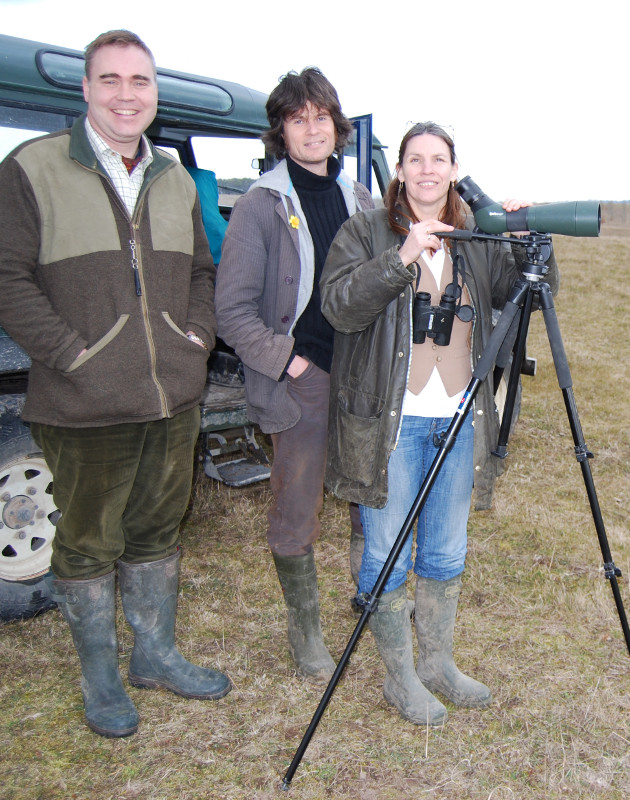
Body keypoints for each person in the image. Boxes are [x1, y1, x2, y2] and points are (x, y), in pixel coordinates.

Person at [0, 30, 231, 738]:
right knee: (88, 543)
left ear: (154, 94)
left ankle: (155, 657)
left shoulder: (173, 178)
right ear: (86, 89)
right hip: (83, 403)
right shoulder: (32, 167)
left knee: (157, 529)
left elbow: (201, 272)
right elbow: (6, 277)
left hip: (172, 397)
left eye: (140, 81)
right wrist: (74, 356)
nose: (126, 95)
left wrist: (196, 341)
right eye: (111, 80)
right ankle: (100, 678)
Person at [320, 122, 559, 724]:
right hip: (390, 423)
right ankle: (399, 677)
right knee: (387, 551)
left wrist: (529, 244)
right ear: (399, 170)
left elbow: (532, 295)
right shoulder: (364, 230)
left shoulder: (477, 236)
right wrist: (401, 258)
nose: (427, 170)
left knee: (447, 550)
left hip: (458, 418)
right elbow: (338, 308)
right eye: (416, 159)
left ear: (454, 170)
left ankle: (436, 663)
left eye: (439, 159)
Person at [215, 68, 374, 682]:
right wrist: (290, 361)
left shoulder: (362, 200)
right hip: (303, 377)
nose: (312, 130)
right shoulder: (261, 206)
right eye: (297, 118)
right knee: (297, 504)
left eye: (321, 117)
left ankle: (372, 595)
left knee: (369, 491)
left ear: (337, 126)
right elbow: (232, 310)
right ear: (281, 131)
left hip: (364, 377)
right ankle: (305, 631)